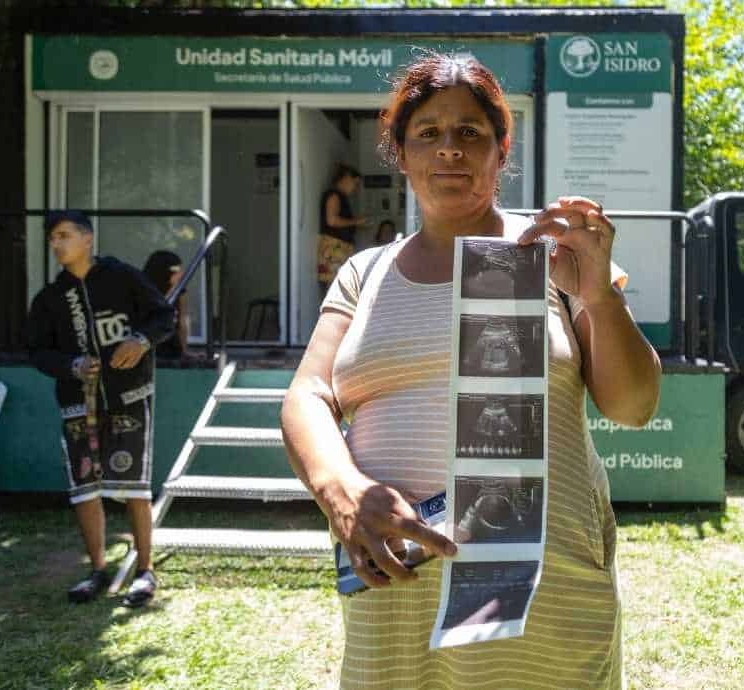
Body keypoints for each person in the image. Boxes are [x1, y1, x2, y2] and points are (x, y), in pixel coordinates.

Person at [281, 54, 661, 689]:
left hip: (544, 593)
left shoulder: (554, 258)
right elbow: (308, 395)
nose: (449, 150)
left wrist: (601, 294)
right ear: (399, 153)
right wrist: (340, 489)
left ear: (500, 148)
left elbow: (634, 407)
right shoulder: (363, 273)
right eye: (428, 132)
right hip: (396, 583)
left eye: (470, 132)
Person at [27, 210, 175, 608]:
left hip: (128, 395)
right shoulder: (50, 298)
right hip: (78, 402)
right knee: (85, 489)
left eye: (64, 235)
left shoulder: (122, 277)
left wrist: (141, 340)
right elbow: (38, 351)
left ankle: (145, 570)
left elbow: (164, 315)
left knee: (134, 487)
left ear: (87, 238)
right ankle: (96, 570)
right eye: (52, 238)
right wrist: (71, 365)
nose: (56, 244)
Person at [318, 164, 367, 298]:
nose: (355, 188)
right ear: (346, 178)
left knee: (339, 289)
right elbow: (331, 220)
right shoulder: (334, 195)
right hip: (334, 250)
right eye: (355, 183)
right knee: (335, 291)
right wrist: (356, 222)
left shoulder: (340, 196)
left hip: (338, 249)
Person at [142, 250, 188, 359]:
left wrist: (184, 351)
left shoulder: (180, 291)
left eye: (181, 269)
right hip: (147, 346)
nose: (180, 274)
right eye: (176, 270)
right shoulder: (144, 289)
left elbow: (182, 321)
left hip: (171, 344)